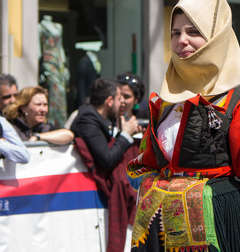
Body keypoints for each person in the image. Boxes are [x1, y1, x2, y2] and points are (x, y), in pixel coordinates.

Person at [126, 0, 240, 252]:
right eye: (175, 33)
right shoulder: (166, 102)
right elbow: (144, 164)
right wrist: (157, 189)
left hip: (223, 230)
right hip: (163, 233)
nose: (182, 41)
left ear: (217, 38)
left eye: (193, 32)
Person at [70, 77, 141, 252]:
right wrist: (125, 135)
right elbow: (107, 159)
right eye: (119, 99)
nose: (121, 103)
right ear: (109, 101)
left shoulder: (100, 119)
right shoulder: (88, 119)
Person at [3, 86, 74, 144]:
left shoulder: (47, 129)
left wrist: (38, 137)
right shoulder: (9, 127)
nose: (43, 110)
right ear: (23, 108)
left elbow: (69, 135)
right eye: (38, 104)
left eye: (45, 105)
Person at [38, 15, 69, 127]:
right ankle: (52, 120)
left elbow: (60, 47)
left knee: (61, 91)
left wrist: (64, 66)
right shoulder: (40, 27)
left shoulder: (58, 27)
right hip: (48, 61)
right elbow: (38, 49)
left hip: (58, 61)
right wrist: (40, 69)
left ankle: (60, 120)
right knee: (53, 91)